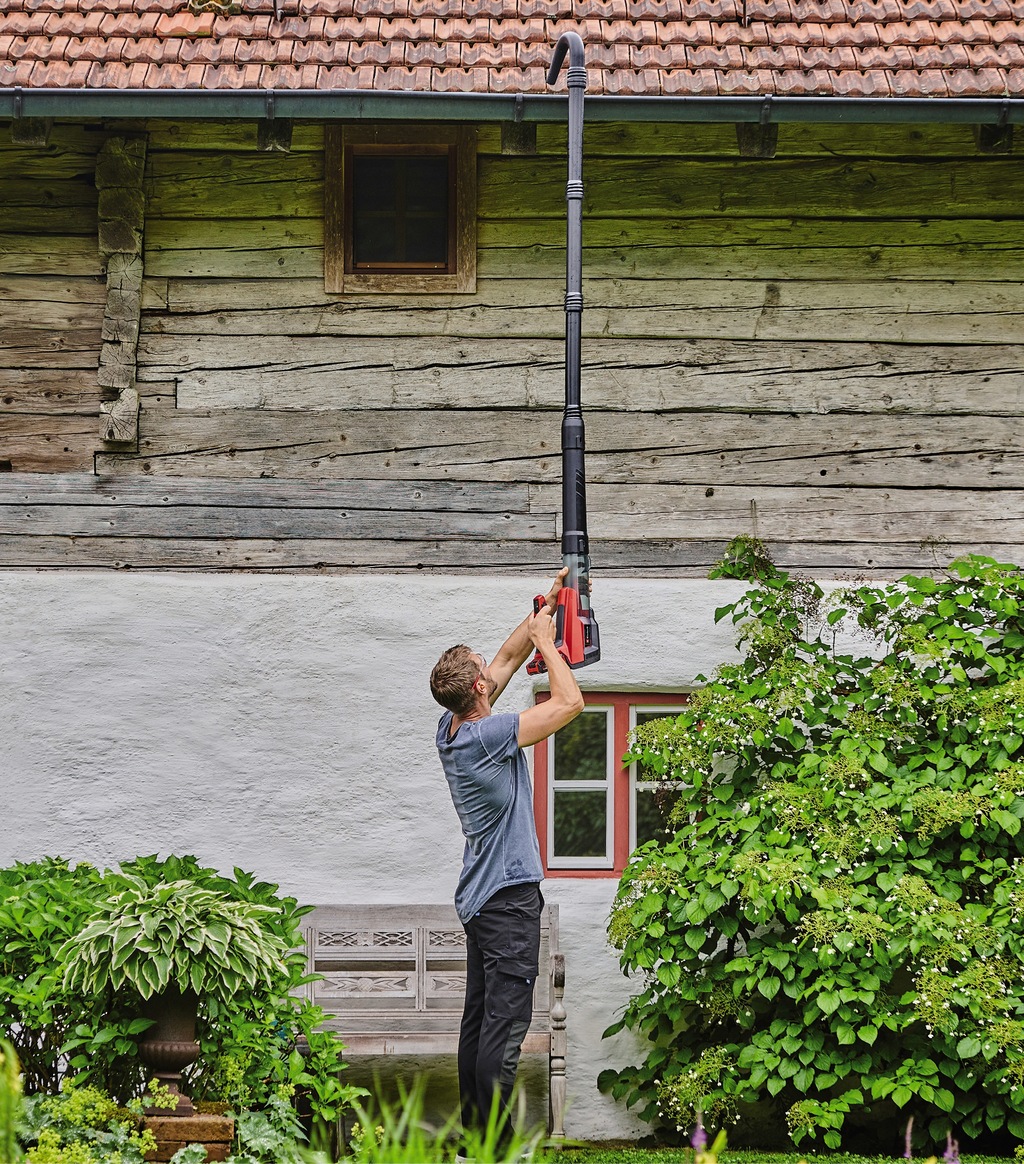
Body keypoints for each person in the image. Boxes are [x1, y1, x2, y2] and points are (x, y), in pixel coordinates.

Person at [429, 567, 585, 1148]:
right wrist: (549, 643)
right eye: (482, 671)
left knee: (479, 1024)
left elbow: (506, 655)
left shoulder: (451, 725)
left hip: (481, 899)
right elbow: (570, 702)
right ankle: (493, 1148)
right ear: (477, 689)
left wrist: (547, 605)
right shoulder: (485, 736)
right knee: (506, 1027)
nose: (489, 670)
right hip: (509, 900)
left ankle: (475, 1144)